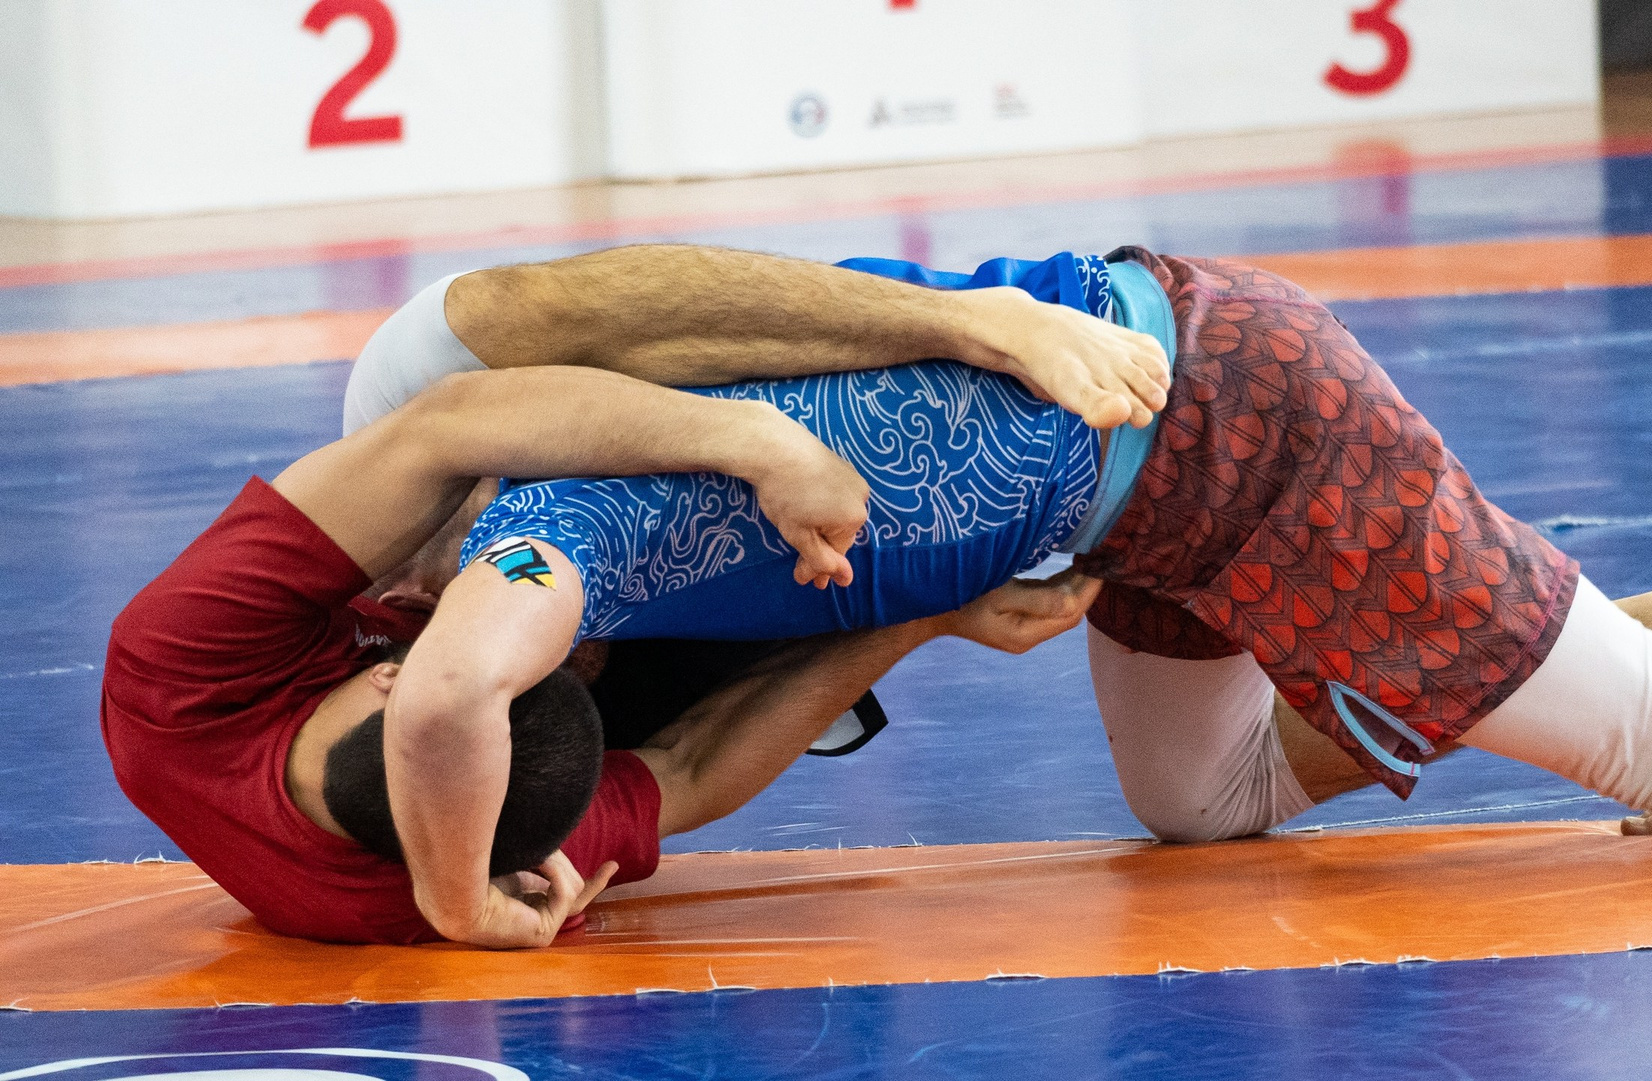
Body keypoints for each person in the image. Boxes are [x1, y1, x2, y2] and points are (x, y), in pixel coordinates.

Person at [378, 244, 1652, 920]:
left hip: (1225, 417)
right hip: (1144, 501)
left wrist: (978, 321)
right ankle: (1626, 633)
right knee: (1198, 799)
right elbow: (694, 751)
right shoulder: (575, 572)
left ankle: (1651, 675)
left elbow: (599, 311)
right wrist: (936, 609)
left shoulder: (501, 478)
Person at [101, 246, 1166, 947]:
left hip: (433, 505)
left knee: (488, 322)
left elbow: (451, 424)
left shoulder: (171, 676)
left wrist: (754, 442)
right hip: (562, 613)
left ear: (390, 675)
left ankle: (969, 321)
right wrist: (923, 619)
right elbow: (691, 766)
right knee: (793, 582)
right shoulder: (469, 870)